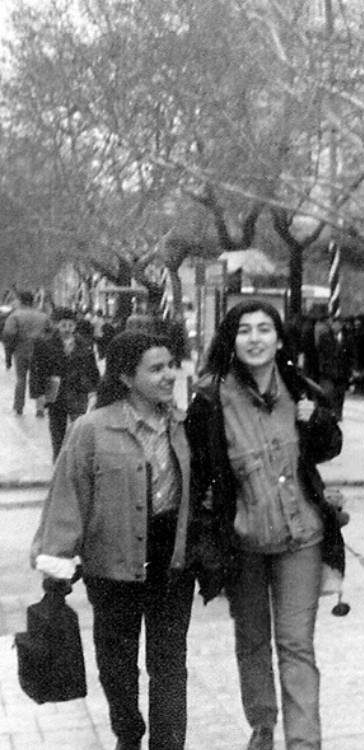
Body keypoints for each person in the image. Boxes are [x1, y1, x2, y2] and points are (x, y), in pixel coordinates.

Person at [186, 300, 345, 750]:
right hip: (244, 542)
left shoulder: (300, 389)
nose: (255, 339)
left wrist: (316, 420)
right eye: (244, 330)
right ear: (230, 340)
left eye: (264, 329)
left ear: (279, 339)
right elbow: (199, 474)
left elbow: (329, 446)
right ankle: (262, 724)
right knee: (252, 639)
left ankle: (304, 741)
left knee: (296, 643)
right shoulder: (210, 399)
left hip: (302, 537)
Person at [31, 331, 196, 750]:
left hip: (172, 563)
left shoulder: (183, 424)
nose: (169, 376)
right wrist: (57, 564)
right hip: (112, 566)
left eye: (171, 366)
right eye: (156, 369)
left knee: (170, 665)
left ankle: (168, 743)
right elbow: (68, 498)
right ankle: (128, 732)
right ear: (126, 376)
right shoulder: (91, 430)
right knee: (118, 666)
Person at [30, 308, 101, 460]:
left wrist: (96, 390)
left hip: (78, 391)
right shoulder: (44, 343)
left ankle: (78, 461)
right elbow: (37, 369)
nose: (67, 329)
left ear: (75, 326)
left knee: (80, 428)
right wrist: (38, 394)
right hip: (55, 390)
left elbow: (92, 369)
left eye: (70, 325)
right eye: (63, 325)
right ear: (56, 325)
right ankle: (58, 460)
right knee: (57, 430)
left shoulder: (84, 344)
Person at [2, 290, 50, 416]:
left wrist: (10, 351)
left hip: (21, 350)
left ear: (20, 301)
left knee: (21, 379)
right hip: (40, 351)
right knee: (40, 378)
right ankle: (40, 407)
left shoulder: (15, 316)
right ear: (33, 301)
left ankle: (19, 406)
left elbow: (9, 333)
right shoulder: (43, 316)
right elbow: (50, 332)